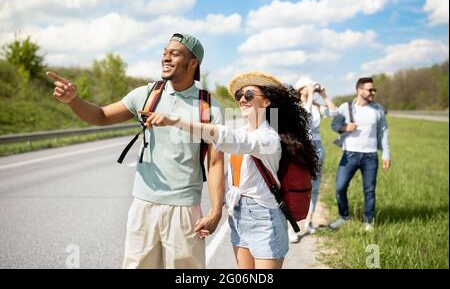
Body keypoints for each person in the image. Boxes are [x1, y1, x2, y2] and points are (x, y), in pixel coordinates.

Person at [47, 33, 225, 269]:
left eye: (174, 53)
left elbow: (215, 163)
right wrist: (74, 101)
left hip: (185, 210)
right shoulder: (146, 95)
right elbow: (101, 116)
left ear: (193, 63)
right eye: (164, 52)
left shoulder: (210, 107)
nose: (166, 57)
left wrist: (215, 211)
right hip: (143, 206)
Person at [140, 71, 320, 269]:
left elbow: (225, 137)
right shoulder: (243, 131)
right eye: (239, 96)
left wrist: (174, 121)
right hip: (239, 212)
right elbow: (222, 156)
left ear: (267, 102)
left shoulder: (269, 138)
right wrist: (217, 210)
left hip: (264, 216)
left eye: (249, 95)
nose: (242, 99)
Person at [329, 77, 391, 232]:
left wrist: (386, 155)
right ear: (359, 90)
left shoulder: (378, 109)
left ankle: (368, 221)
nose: (373, 92)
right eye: (370, 90)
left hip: (370, 156)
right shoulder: (346, 107)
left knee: (369, 190)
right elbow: (334, 124)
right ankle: (344, 217)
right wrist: (345, 127)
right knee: (340, 188)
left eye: (374, 90)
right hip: (350, 155)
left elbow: (384, 132)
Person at [286, 77, 337, 243]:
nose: (311, 90)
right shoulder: (295, 107)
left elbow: (335, 114)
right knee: (294, 186)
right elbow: (305, 120)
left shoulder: (316, 106)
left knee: (314, 188)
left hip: (317, 147)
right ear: (300, 90)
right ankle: (291, 227)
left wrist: (324, 94)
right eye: (307, 88)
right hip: (300, 149)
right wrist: (308, 96)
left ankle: (309, 221)